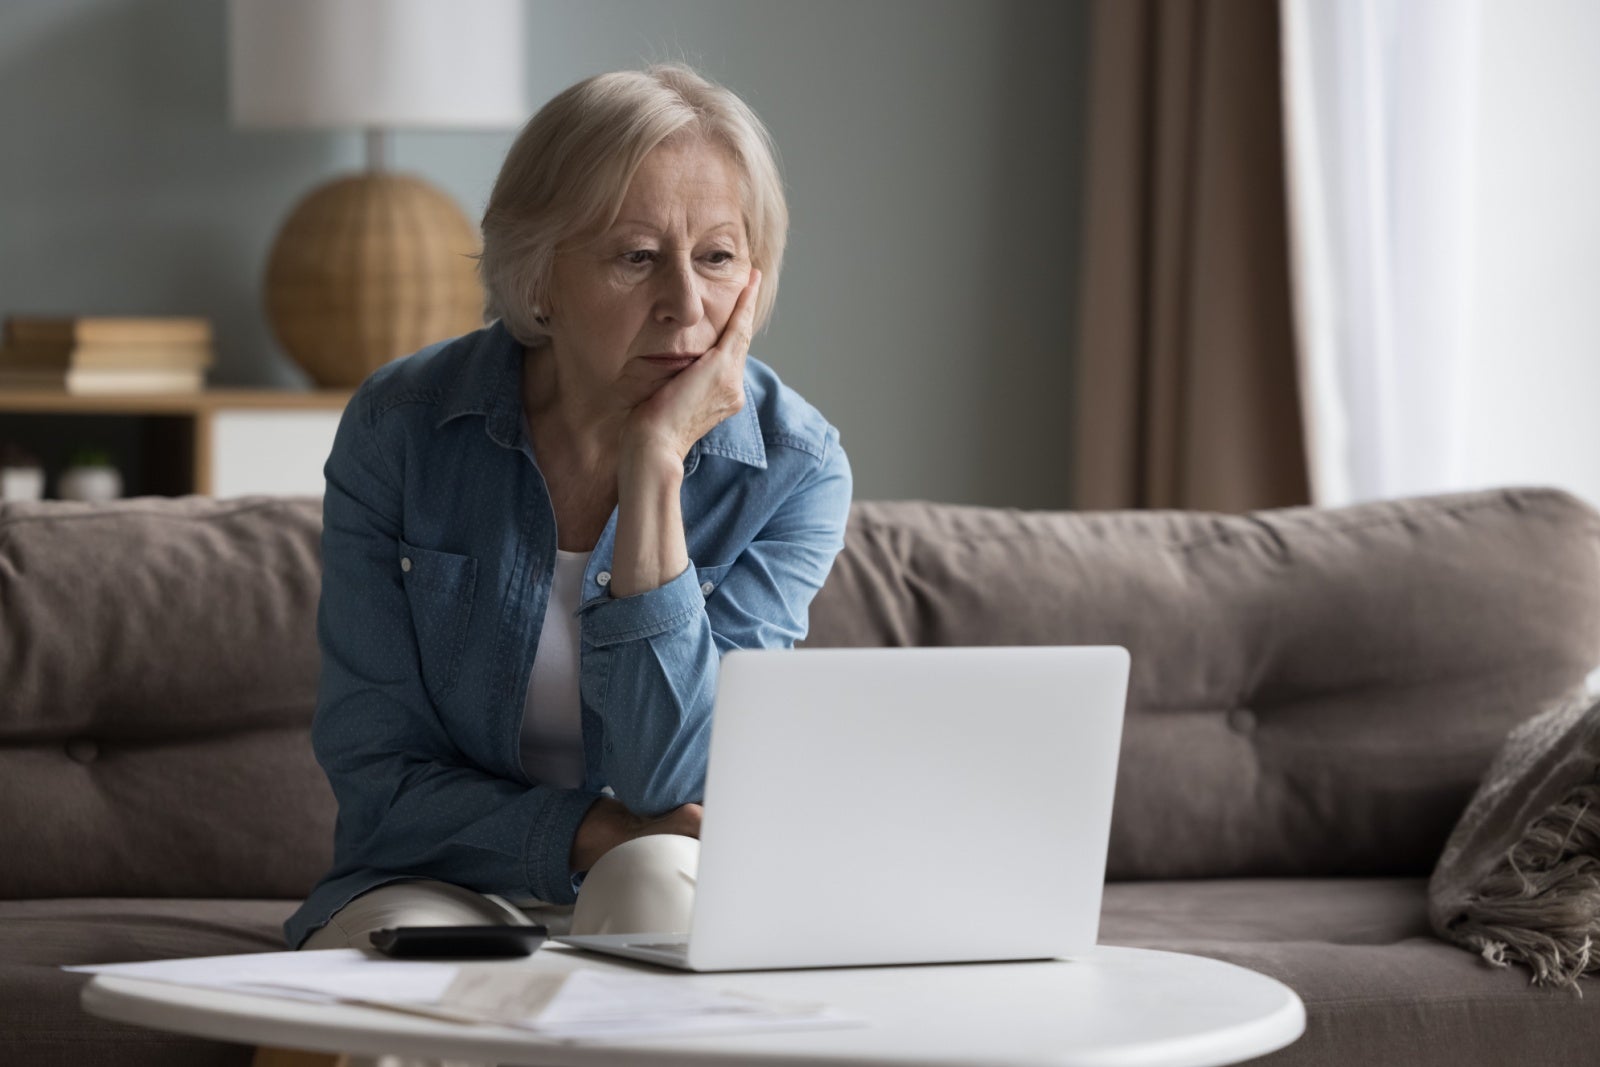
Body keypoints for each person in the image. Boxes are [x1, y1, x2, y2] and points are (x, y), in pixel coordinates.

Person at [282, 63, 853, 956]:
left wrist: (654, 467)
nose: (686, 305)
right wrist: (588, 832)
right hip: (437, 878)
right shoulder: (401, 427)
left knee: (659, 882)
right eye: (636, 256)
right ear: (539, 274)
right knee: (403, 974)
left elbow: (674, 782)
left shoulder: (793, 467)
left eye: (717, 257)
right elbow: (378, 778)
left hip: (663, 880)